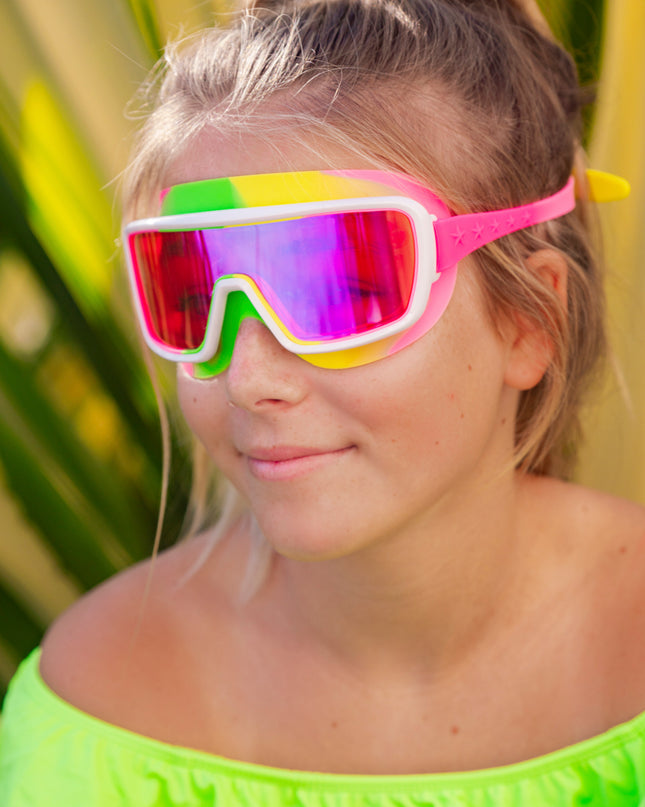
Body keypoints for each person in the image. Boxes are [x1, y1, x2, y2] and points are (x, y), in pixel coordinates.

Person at [0, 0, 642, 803]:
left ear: (527, 321)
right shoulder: (99, 705)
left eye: (344, 284)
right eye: (193, 286)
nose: (248, 377)